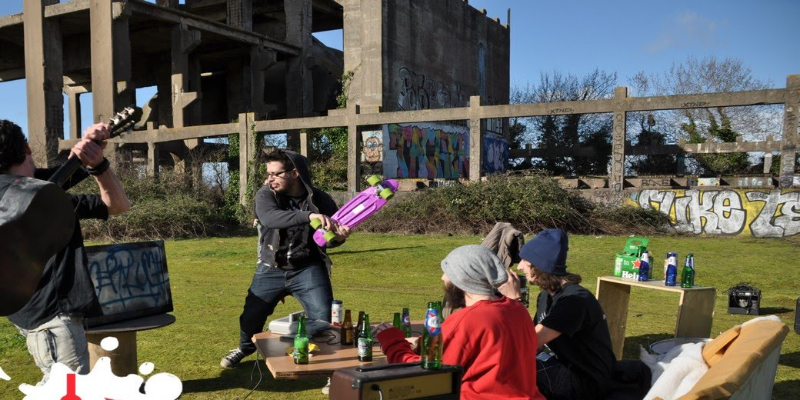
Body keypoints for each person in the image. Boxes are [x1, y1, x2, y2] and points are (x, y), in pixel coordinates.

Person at [0, 119, 131, 384]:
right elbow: (118, 205)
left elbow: (111, 203)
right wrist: (98, 163)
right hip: (53, 319)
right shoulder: (44, 197)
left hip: (27, 314)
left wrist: (88, 155)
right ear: (27, 147)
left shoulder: (21, 194)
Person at [221, 149, 349, 368]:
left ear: (295, 173)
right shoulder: (266, 194)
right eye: (268, 173)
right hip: (271, 267)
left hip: (308, 268)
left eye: (276, 174)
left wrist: (338, 238)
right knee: (251, 316)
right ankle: (244, 347)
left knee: (324, 320)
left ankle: (328, 365)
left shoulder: (321, 200)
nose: (269, 179)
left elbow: (326, 240)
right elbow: (271, 218)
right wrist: (309, 216)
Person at [375, 245, 547, 400]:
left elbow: (429, 373)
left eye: (448, 272)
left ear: (463, 280)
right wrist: (423, 343)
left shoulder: (468, 320)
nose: (443, 277)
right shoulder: (517, 309)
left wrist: (392, 342)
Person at [506, 229, 616, 400]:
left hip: (588, 384)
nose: (519, 266)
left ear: (540, 265)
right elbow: (536, 345)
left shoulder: (573, 301)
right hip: (563, 367)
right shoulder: (546, 295)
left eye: (525, 261)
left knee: (508, 368)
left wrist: (514, 300)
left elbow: (528, 342)